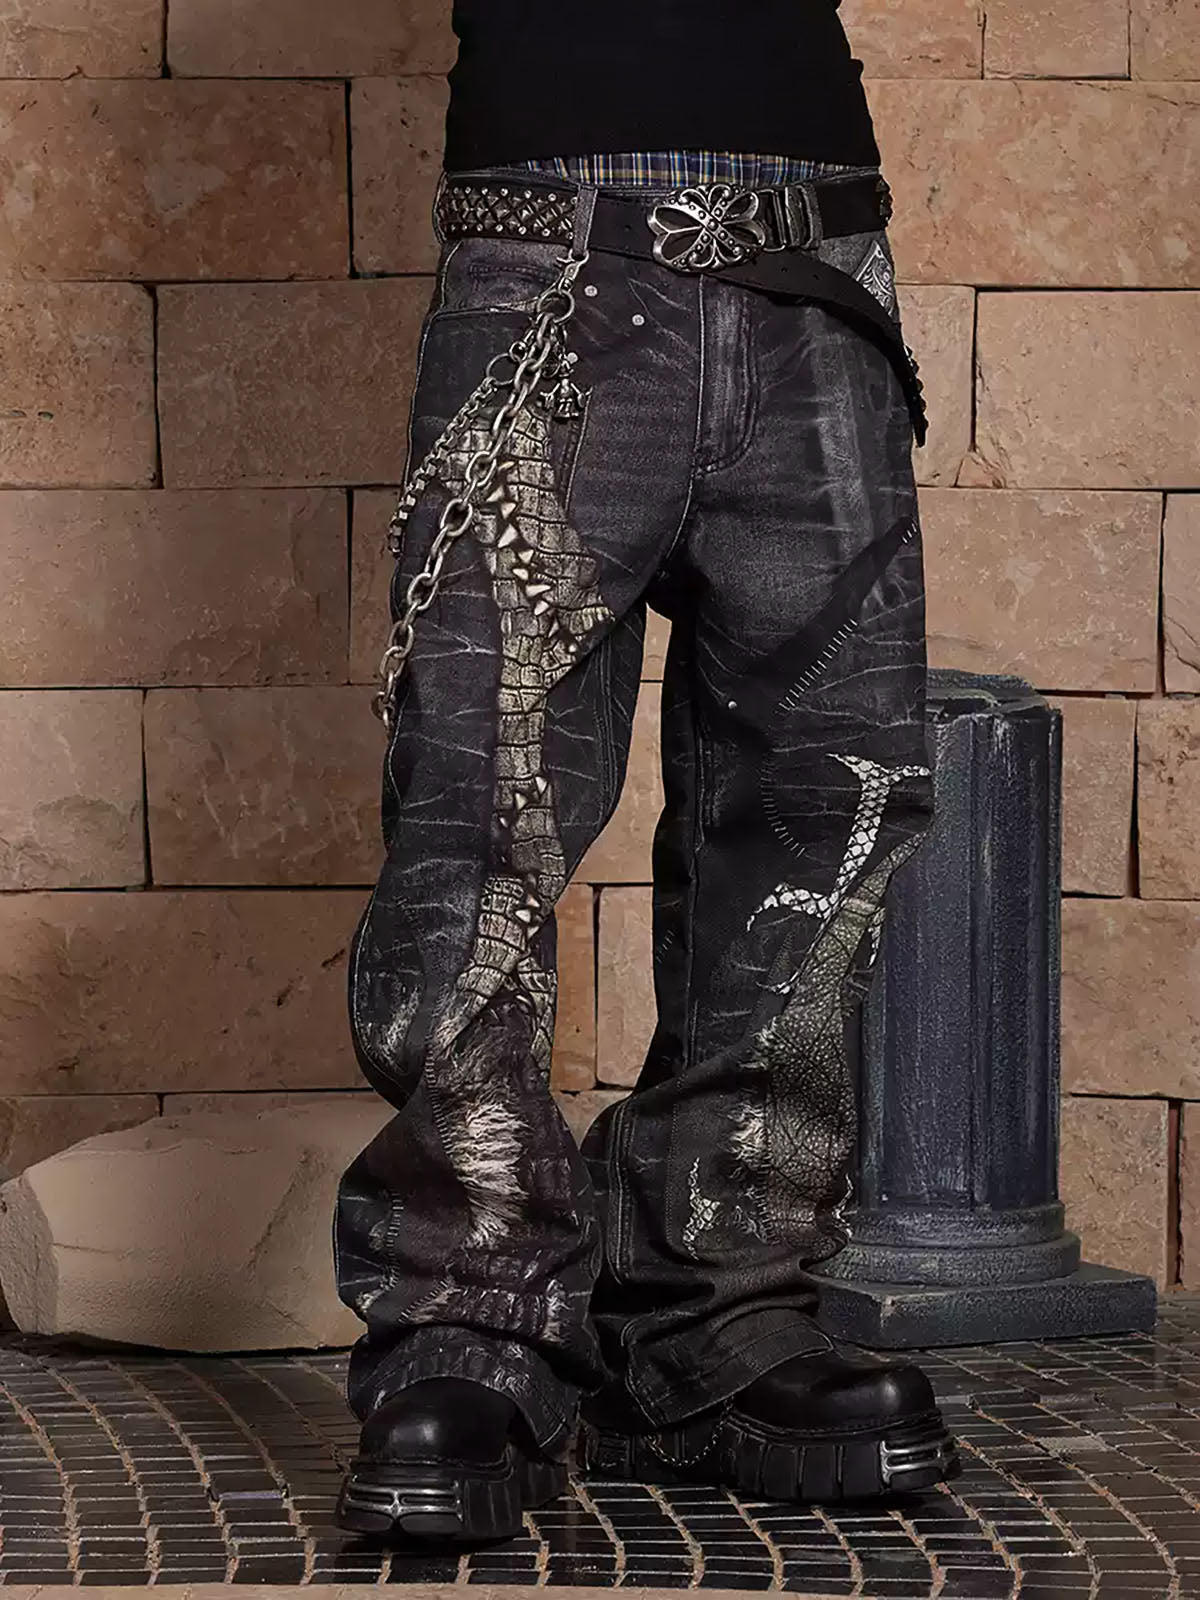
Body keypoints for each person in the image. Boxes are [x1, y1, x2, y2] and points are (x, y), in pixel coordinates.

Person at [331, 0, 958, 1543]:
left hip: (821, 265)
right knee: (477, 804)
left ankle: (719, 1316)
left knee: (826, 803)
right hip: (546, 253)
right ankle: (468, 1323)